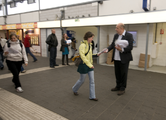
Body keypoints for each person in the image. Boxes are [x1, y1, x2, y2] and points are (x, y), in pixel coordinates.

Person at [103, 23, 134, 95]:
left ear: (121, 28)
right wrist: (107, 49)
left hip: (124, 58)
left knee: (123, 73)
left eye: (117, 28)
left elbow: (130, 47)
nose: (115, 29)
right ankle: (118, 86)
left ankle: (122, 88)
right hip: (116, 58)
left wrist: (122, 50)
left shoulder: (129, 35)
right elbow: (112, 45)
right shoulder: (116, 35)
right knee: (117, 73)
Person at [72, 31, 101, 101]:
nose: (92, 39)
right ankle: (74, 89)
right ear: (88, 37)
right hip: (84, 65)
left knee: (92, 81)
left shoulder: (89, 45)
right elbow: (83, 57)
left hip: (89, 65)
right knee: (82, 80)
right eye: (91, 38)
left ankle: (92, 96)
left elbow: (89, 55)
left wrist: (96, 54)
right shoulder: (82, 46)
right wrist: (89, 65)